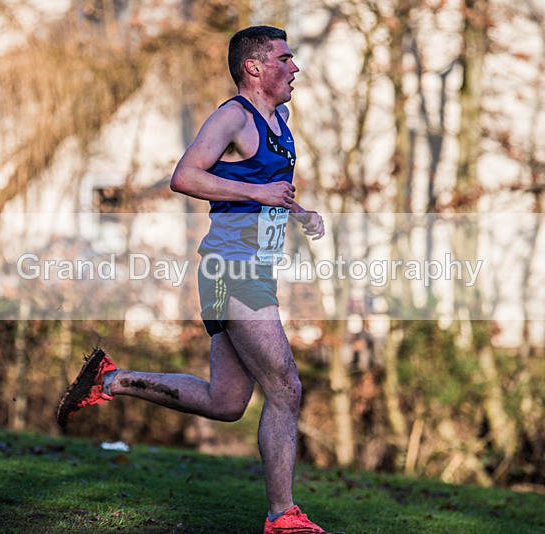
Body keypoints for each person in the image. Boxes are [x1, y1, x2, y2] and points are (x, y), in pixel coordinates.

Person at [56, 26, 339, 534]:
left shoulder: (282, 119)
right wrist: (258, 197)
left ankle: (109, 380)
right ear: (254, 66)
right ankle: (282, 517)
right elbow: (184, 176)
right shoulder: (234, 115)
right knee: (286, 388)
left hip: (253, 269)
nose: (295, 67)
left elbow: (265, 188)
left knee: (226, 403)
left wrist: (300, 212)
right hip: (231, 270)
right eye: (285, 57)